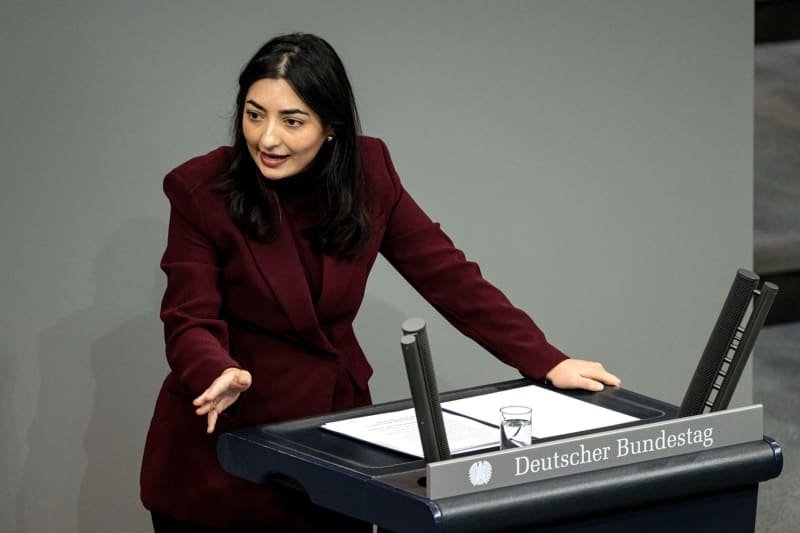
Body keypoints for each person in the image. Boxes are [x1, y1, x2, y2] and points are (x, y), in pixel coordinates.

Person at [140, 32, 621, 532]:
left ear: (331, 127)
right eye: (254, 114)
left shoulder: (369, 173)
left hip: (331, 448)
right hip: (225, 452)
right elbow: (188, 317)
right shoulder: (201, 189)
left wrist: (547, 360)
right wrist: (215, 369)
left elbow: (451, 278)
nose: (267, 138)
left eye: (292, 121)